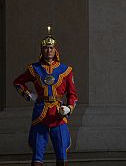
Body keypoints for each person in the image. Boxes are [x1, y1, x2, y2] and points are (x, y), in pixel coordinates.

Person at [13, 26, 78, 166]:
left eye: (51, 47)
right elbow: (18, 83)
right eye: (46, 48)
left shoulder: (66, 70)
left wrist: (69, 108)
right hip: (40, 113)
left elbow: (73, 94)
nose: (49, 50)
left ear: (56, 50)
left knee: (62, 155)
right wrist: (29, 95)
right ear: (42, 50)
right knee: (37, 156)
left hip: (58, 115)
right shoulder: (34, 68)